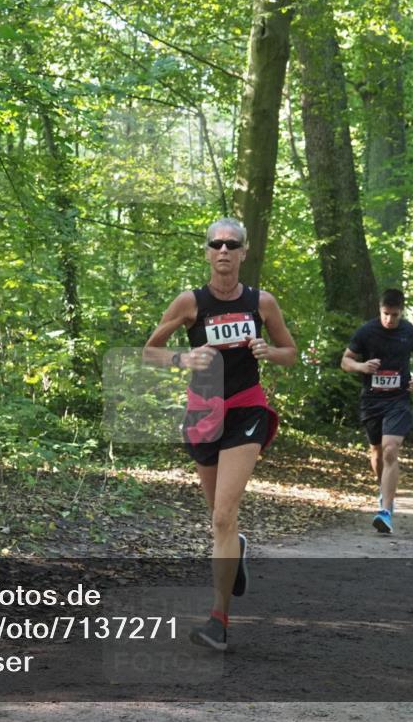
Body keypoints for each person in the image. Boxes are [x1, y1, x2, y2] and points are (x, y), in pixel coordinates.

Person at [144, 217, 296, 651]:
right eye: (217, 244)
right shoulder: (189, 302)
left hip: (248, 409)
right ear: (207, 252)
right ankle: (236, 547)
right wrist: (182, 361)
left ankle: (218, 621)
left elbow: (291, 354)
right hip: (204, 412)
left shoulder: (261, 302)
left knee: (223, 516)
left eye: (233, 245)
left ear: (245, 252)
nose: (224, 251)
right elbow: (150, 351)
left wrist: (271, 351)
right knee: (219, 522)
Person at [341, 289, 413, 535]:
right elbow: (345, 361)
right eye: (385, 314)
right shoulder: (366, 332)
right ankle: (384, 492)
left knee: (391, 449)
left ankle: (386, 512)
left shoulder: (411, 332)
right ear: (380, 309)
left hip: (399, 399)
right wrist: (361, 366)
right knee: (377, 453)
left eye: (394, 315)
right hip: (372, 400)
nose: (389, 319)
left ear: (402, 311)